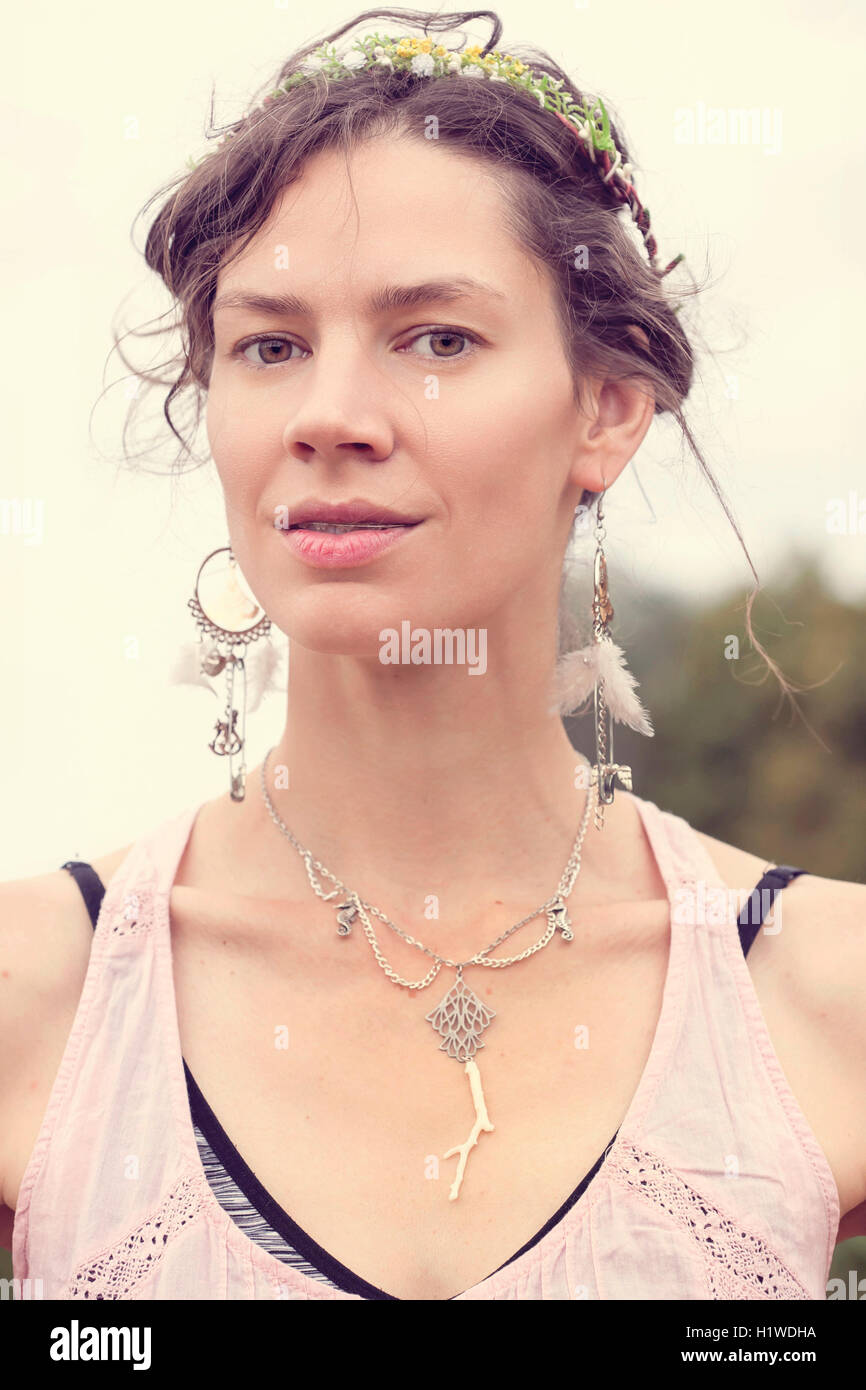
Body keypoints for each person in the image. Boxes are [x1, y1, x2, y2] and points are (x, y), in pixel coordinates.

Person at [1, 8, 864, 1302]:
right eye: (271, 345)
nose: (330, 416)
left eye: (436, 338)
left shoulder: (823, 993)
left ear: (606, 409)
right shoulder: (37, 996)